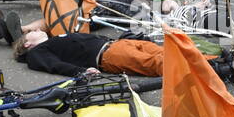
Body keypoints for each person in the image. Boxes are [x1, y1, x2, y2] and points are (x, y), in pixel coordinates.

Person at [12, 21, 163, 78]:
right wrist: (81, 71)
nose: (37, 29)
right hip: (109, 55)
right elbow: (55, 65)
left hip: (118, 44)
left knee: (165, 53)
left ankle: (186, 62)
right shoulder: (36, 53)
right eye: (32, 32)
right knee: (156, 63)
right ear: (26, 44)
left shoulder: (52, 41)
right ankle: (185, 75)